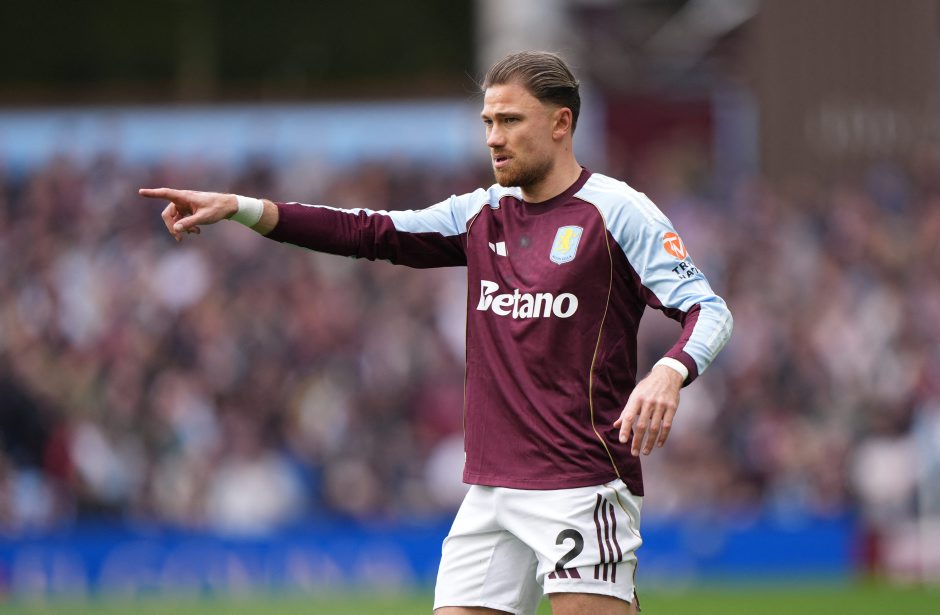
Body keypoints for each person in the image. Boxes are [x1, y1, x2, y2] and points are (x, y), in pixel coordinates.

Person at [140, 51, 732, 615]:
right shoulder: (481, 213)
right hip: (490, 490)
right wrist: (240, 206)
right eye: (488, 122)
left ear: (561, 123)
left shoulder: (618, 211)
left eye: (510, 120)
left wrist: (669, 370)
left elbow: (708, 310)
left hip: (580, 481)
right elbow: (365, 232)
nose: (493, 137)